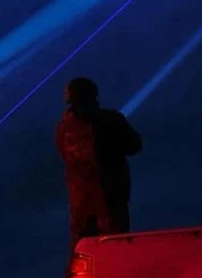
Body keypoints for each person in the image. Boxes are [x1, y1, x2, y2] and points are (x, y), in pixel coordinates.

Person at [55, 77, 143, 247]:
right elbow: (134, 145)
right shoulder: (111, 120)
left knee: (84, 247)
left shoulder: (64, 128)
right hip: (107, 200)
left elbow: (64, 154)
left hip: (85, 202)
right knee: (114, 246)